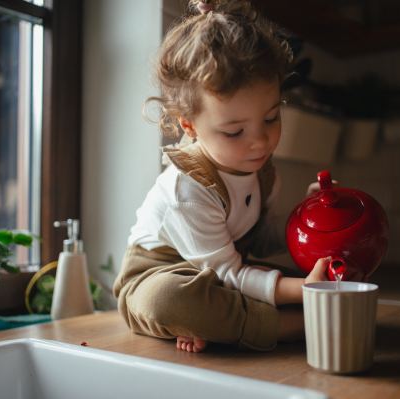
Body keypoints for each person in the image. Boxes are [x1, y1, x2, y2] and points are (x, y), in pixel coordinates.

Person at [113, 0, 356, 353]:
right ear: (190, 125)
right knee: (167, 301)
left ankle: (217, 325)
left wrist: (308, 216)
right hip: (161, 273)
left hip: (226, 270)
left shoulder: (263, 173)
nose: (259, 141)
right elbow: (230, 274)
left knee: (291, 276)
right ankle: (294, 326)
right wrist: (303, 289)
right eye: (234, 132)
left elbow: (259, 239)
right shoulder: (188, 190)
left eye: (271, 118)